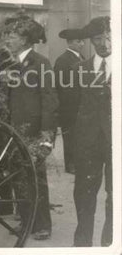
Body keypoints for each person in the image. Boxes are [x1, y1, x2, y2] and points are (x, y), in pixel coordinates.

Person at [3, 15, 58, 241]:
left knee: (36, 177)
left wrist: (47, 135)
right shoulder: (8, 63)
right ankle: (26, 221)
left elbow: (49, 100)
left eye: (13, 36)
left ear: (25, 40)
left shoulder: (40, 63)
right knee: (18, 176)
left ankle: (43, 224)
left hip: (34, 131)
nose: (8, 39)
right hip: (12, 130)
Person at [72, 16, 111, 247]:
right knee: (84, 193)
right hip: (88, 144)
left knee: (116, 195)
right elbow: (70, 112)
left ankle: (110, 244)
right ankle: (82, 244)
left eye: (109, 37)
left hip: (117, 143)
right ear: (91, 41)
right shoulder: (80, 70)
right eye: (98, 38)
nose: (105, 43)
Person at [54, 28, 86, 174]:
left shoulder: (82, 58)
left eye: (82, 41)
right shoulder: (63, 60)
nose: (83, 44)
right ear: (71, 42)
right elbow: (60, 85)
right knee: (70, 136)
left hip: (81, 105)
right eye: (80, 41)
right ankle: (70, 164)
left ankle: (78, 162)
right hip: (69, 107)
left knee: (80, 135)